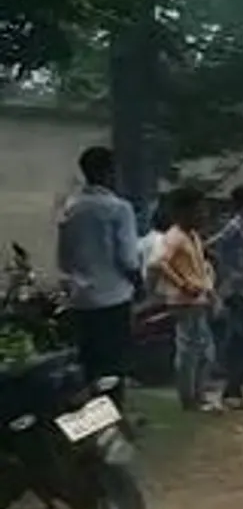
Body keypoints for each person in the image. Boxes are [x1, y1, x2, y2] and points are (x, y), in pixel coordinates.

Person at [57, 146, 142, 403]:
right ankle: (113, 415)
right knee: (114, 365)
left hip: (81, 299)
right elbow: (128, 258)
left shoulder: (71, 208)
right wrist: (139, 284)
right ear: (109, 172)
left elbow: (64, 259)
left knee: (90, 365)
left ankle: (91, 415)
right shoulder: (119, 208)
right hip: (113, 297)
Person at [151, 187, 219, 413]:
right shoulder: (175, 236)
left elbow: (199, 268)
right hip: (184, 301)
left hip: (197, 300)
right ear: (183, 211)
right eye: (200, 210)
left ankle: (198, 396)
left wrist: (209, 292)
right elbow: (159, 263)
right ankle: (190, 399)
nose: (204, 215)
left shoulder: (193, 236)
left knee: (203, 352)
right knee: (190, 352)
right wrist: (182, 284)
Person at [206, 185, 243, 411]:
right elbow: (209, 246)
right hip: (236, 291)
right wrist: (227, 272)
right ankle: (231, 391)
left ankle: (234, 390)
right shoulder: (234, 227)